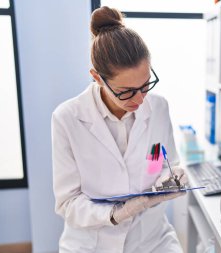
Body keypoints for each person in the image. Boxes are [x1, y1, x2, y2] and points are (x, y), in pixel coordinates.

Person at [52, 6, 187, 253]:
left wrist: (170, 176)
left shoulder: (158, 108)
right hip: (92, 245)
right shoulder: (67, 118)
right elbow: (68, 203)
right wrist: (115, 214)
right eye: (126, 92)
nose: (140, 99)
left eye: (146, 85)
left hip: (153, 241)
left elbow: (160, 162)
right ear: (97, 77)